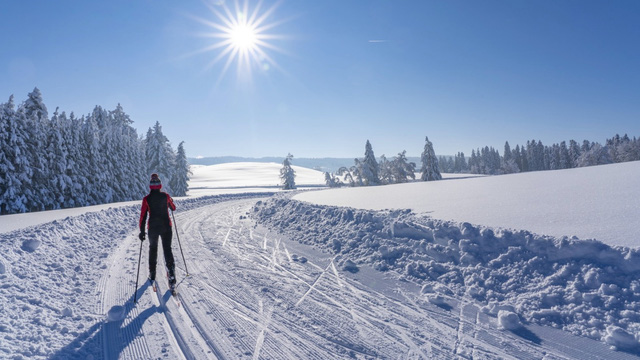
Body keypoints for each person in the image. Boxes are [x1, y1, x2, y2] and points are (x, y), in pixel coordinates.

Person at [139, 173, 177, 289]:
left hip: (153, 228)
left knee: (153, 248)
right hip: (166, 226)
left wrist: (141, 231)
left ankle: (152, 273)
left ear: (150, 186)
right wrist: (171, 201)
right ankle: (171, 274)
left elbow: (143, 216)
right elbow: (173, 208)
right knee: (167, 249)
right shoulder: (165, 196)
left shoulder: (146, 199)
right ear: (160, 185)